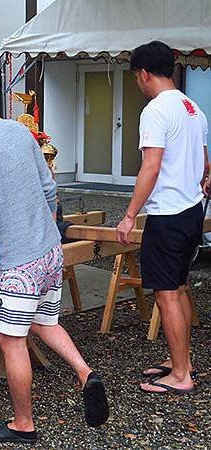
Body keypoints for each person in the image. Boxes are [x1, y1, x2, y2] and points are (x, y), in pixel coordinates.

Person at [0, 73, 109, 444]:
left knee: (11, 341)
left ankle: (23, 424)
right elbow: (49, 189)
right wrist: (48, 235)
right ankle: (84, 372)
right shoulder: (16, 130)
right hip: (48, 251)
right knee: (44, 322)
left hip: (19, 263)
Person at [116, 41, 208, 394]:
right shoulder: (191, 107)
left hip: (168, 214)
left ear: (143, 73)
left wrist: (128, 215)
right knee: (179, 288)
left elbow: (150, 166)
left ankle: (181, 375)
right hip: (191, 211)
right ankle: (181, 360)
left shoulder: (155, 110)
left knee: (167, 294)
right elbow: (205, 162)